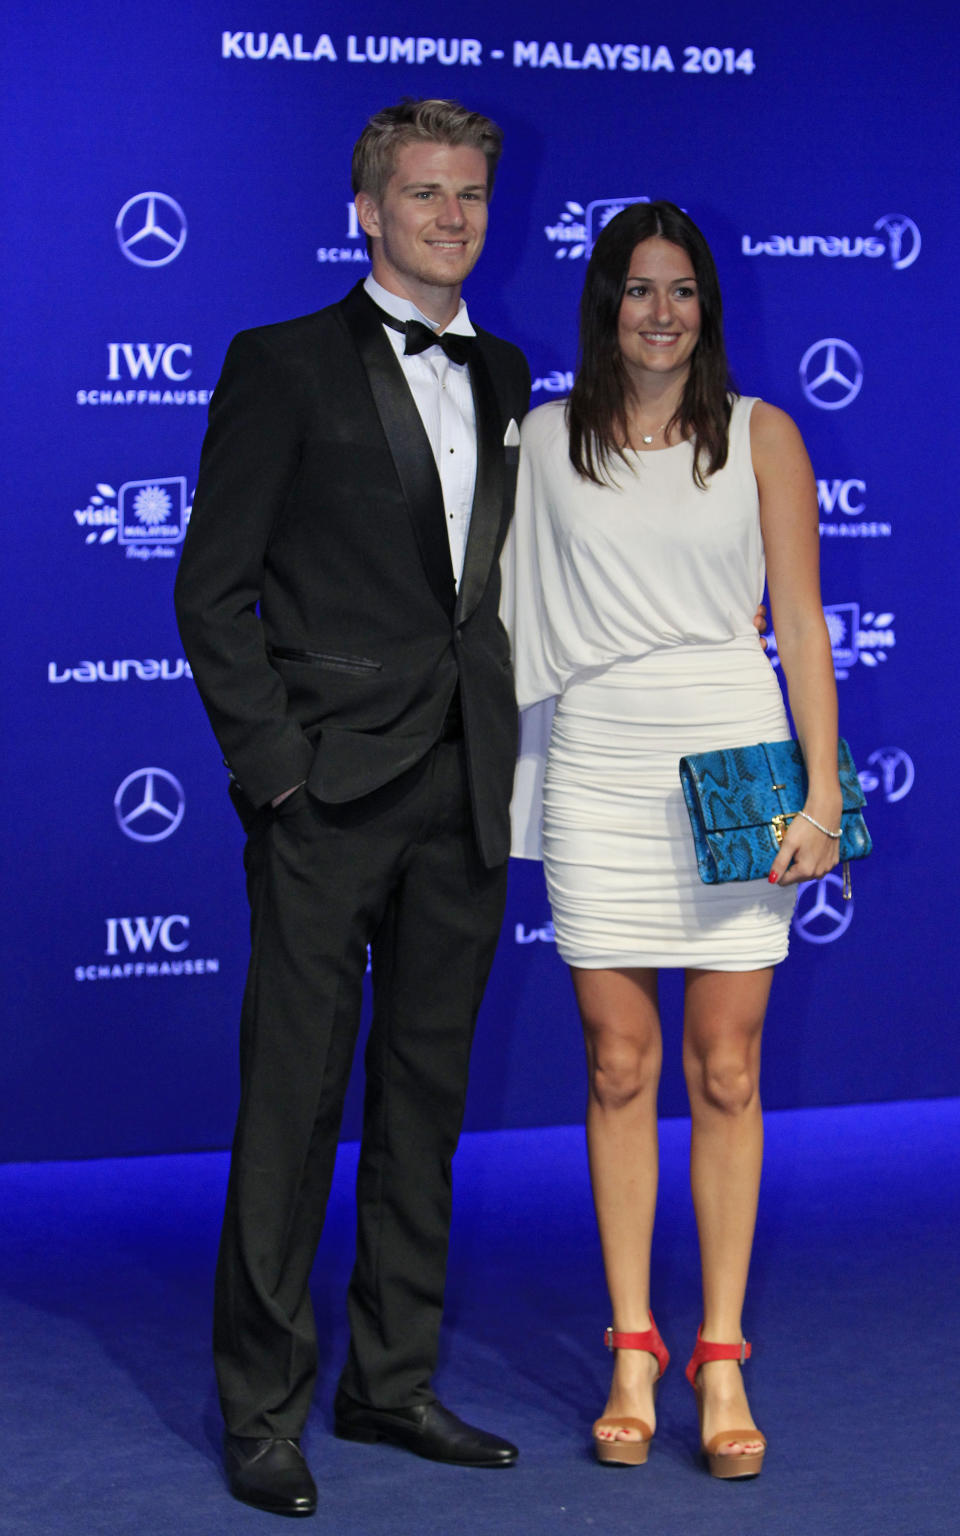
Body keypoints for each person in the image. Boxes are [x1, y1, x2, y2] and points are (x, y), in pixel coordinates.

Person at [174, 99, 529, 1517]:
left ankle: (393, 1382)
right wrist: (277, 773)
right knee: (292, 1109)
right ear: (367, 208)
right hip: (324, 796)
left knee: (423, 1106)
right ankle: (262, 1409)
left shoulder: (505, 373)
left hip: (466, 792)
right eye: (423, 192)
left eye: (469, 195)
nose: (450, 215)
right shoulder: (281, 364)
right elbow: (211, 591)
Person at [501, 201, 841, 1479]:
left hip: (736, 756)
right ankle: (633, 1345)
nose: (661, 312)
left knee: (728, 1067)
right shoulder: (544, 440)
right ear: (607, 304)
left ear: (707, 305)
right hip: (598, 761)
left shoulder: (763, 437)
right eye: (639, 289)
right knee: (618, 1060)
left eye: (682, 289)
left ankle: (724, 1354)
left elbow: (800, 625)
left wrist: (819, 795)